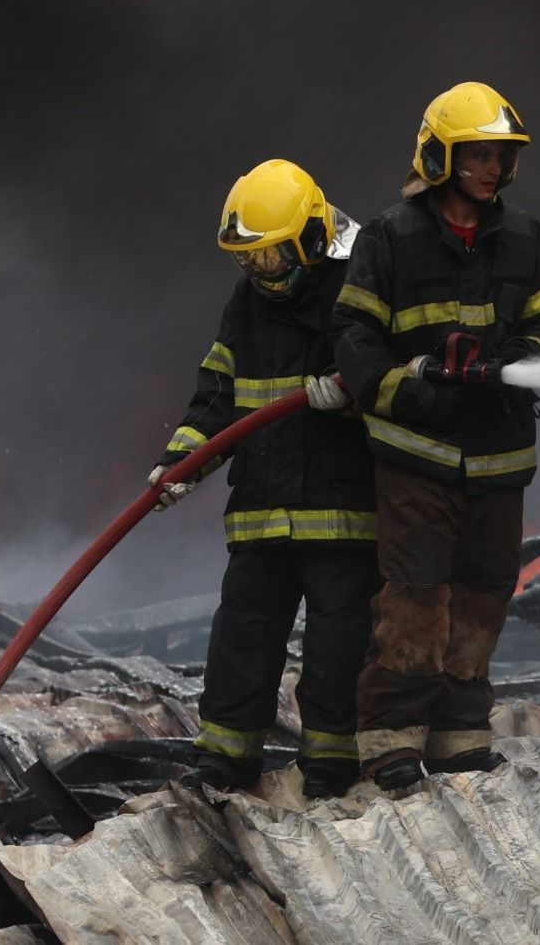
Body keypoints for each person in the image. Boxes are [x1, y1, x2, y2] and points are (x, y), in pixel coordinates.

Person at [332, 82, 540, 790]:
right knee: (416, 596)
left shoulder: (529, 239)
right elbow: (353, 335)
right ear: (439, 158)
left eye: (500, 157)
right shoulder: (389, 238)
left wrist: (518, 361)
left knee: (485, 592)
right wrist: (417, 386)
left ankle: (460, 734)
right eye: (476, 157)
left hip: (499, 458)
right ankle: (392, 741)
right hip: (417, 456)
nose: (492, 169)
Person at [150, 159, 380, 799]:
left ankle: (331, 769)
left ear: (309, 238)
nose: (261, 271)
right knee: (240, 643)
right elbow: (217, 393)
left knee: (339, 648)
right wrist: (181, 462)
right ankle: (224, 764)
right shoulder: (245, 304)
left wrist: (352, 390)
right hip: (260, 512)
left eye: (273, 256)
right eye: (247, 259)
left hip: (342, 514)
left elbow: (399, 380)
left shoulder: (359, 284)